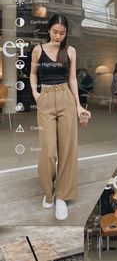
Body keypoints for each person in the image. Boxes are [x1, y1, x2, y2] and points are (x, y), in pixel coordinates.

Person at [30, 13, 91, 220]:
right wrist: (36, 94)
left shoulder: (70, 50)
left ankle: (62, 197)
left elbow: (72, 78)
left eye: (62, 33)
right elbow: (32, 74)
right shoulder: (38, 50)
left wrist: (78, 105)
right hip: (45, 98)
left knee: (67, 150)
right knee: (48, 152)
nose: (58, 36)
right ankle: (49, 192)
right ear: (48, 30)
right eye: (55, 32)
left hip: (65, 96)